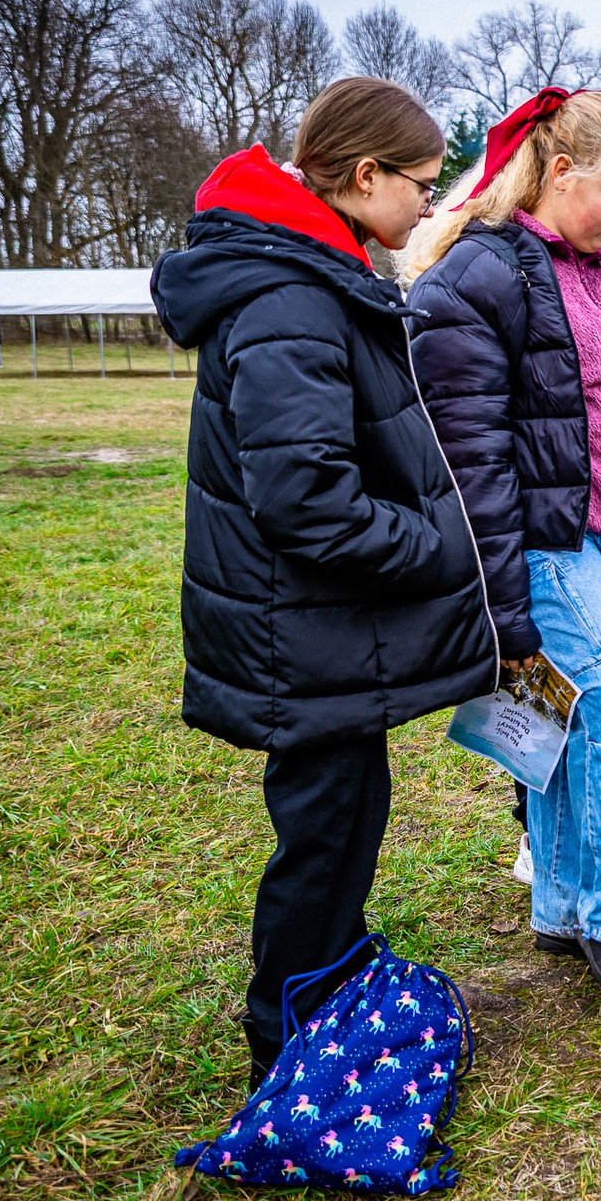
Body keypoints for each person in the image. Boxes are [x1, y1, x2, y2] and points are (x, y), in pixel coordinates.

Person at [150, 77, 496, 1088]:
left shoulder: (312, 271)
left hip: (320, 627)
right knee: (323, 832)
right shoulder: (290, 295)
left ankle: (326, 990)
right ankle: (287, 1040)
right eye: (421, 184)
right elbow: (304, 498)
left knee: (346, 818)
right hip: (298, 626)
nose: (429, 204)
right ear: (365, 175)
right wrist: (433, 545)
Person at [405, 87, 601, 1001]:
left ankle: (563, 905)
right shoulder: (479, 274)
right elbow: (470, 456)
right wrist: (502, 600)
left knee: (570, 721)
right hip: (546, 539)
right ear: (560, 170)